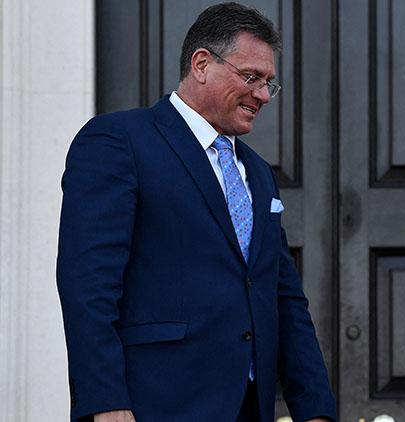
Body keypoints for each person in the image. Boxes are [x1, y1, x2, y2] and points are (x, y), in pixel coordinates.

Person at [57, 3, 336, 422]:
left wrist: (315, 410)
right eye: (251, 77)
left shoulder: (259, 173)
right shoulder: (118, 141)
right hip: (154, 406)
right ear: (202, 64)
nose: (263, 95)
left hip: (249, 408)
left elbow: (284, 300)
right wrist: (105, 401)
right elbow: (87, 286)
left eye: (268, 83)